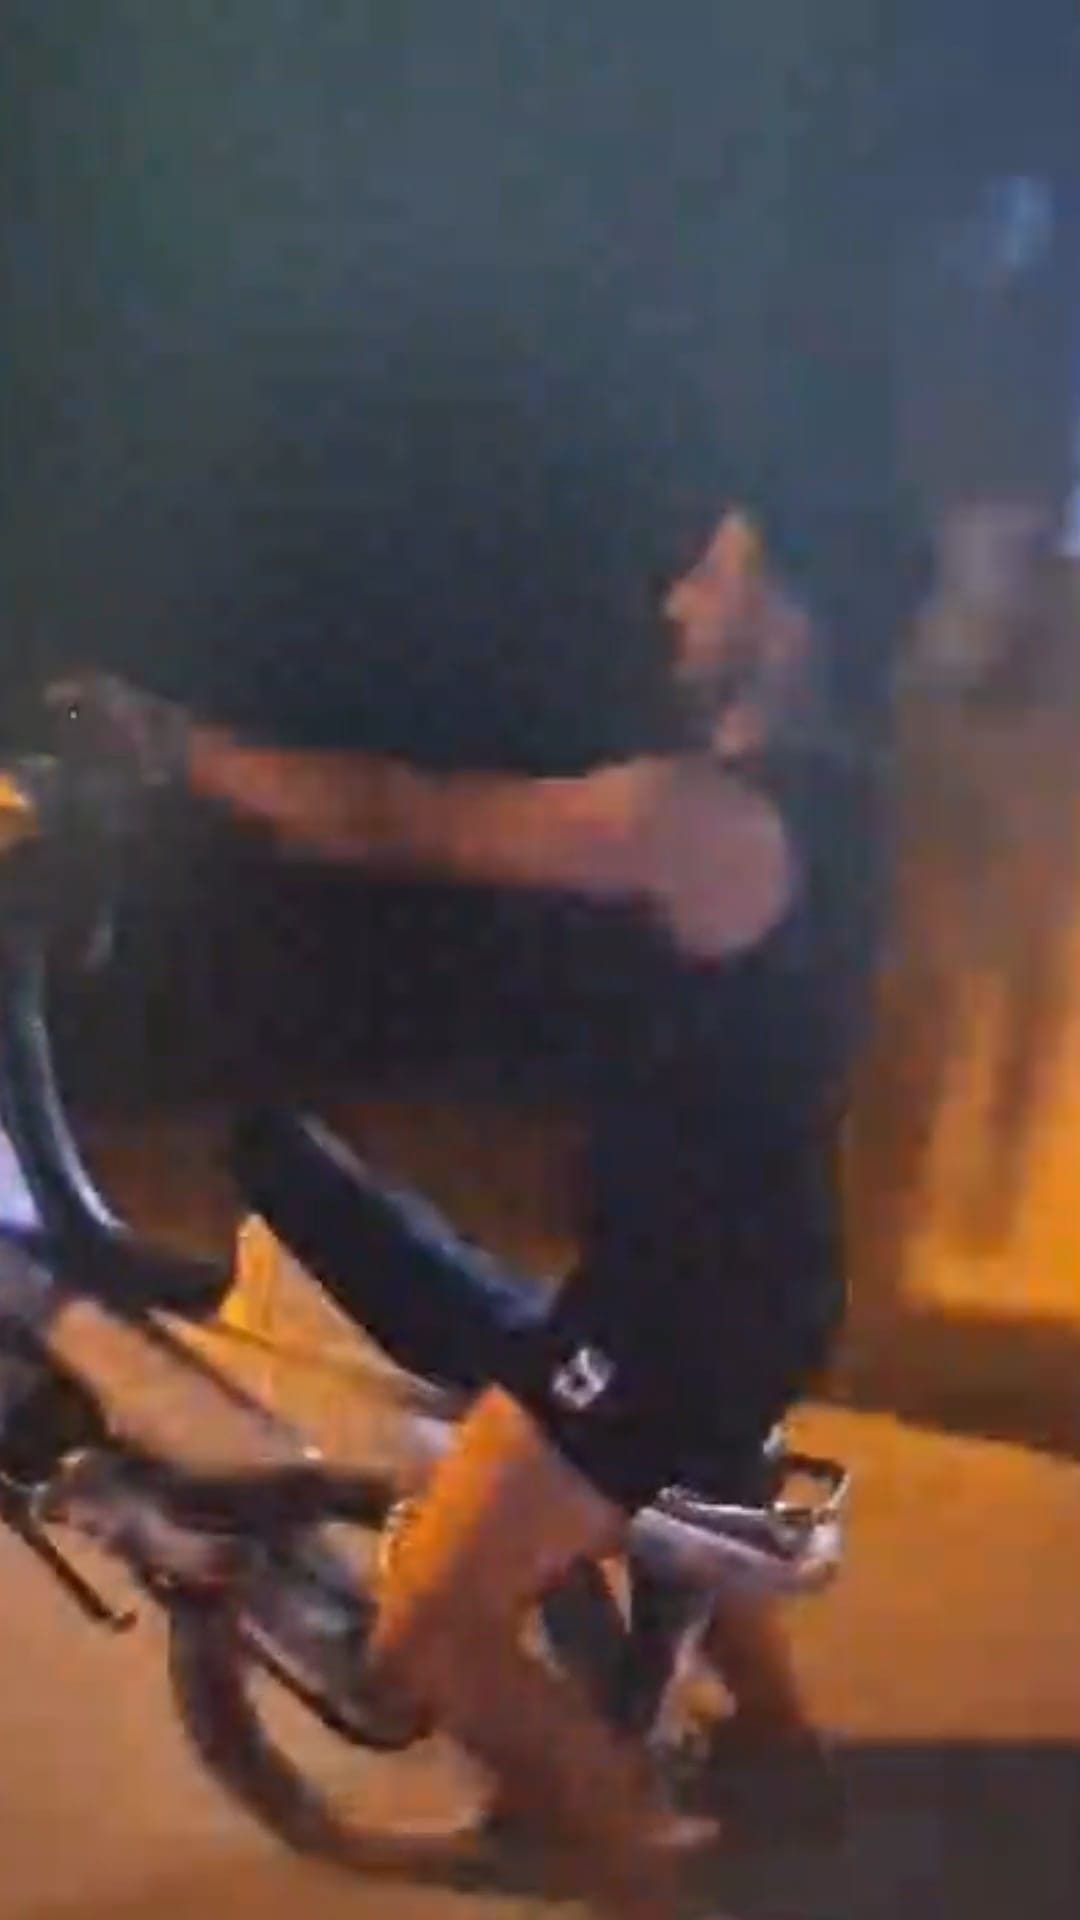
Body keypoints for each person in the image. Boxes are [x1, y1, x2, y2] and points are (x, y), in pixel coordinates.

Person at [61, 510, 882, 1920]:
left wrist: (181, 750)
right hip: (754, 1266)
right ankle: (777, 1757)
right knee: (641, 1457)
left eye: (716, 575)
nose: (679, 599)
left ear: (791, 617)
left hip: (681, 1305)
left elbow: (403, 816)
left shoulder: (702, 821)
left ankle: (639, 1879)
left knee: (431, 1624)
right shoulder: (844, 797)